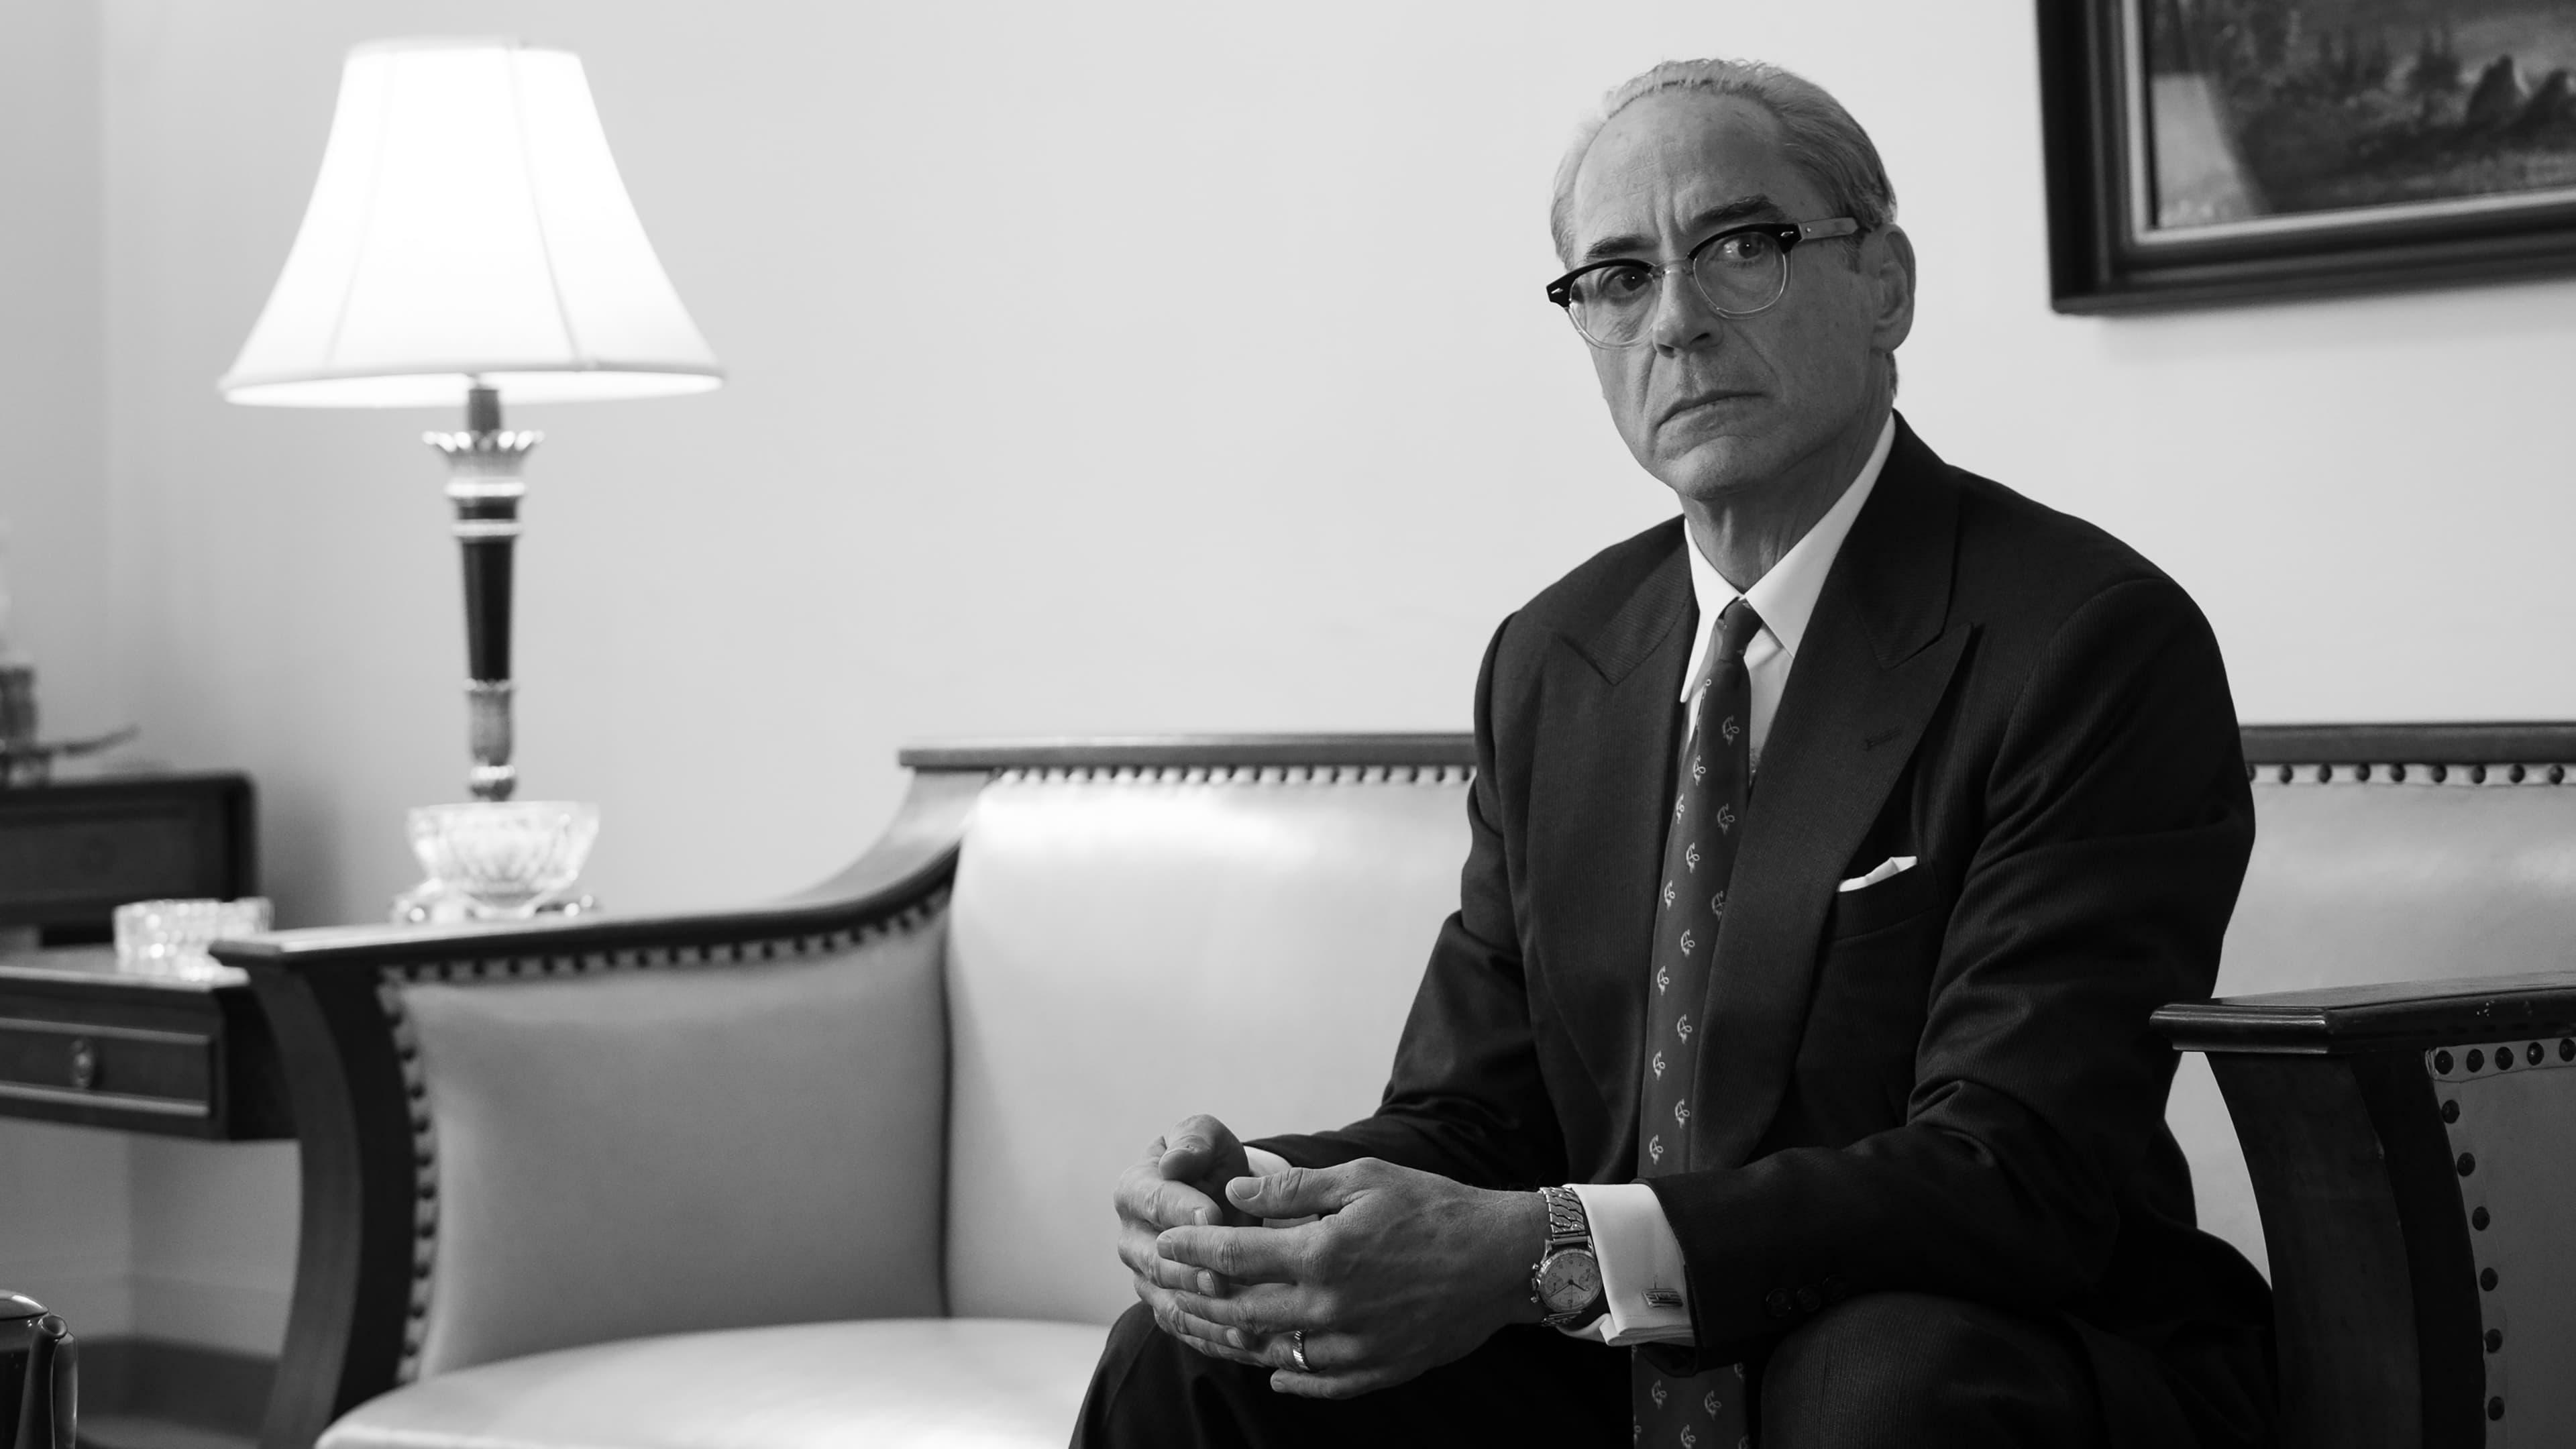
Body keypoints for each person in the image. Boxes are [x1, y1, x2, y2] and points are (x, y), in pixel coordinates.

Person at [1074, 56, 2275, 1449]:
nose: (1677, 320)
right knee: (1195, 1362)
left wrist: (1549, 1249)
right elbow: (1476, 1120)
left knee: (1873, 1385)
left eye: (1741, 246)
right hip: (1624, 1355)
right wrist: (1261, 1207)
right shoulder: (1555, 657)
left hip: (1990, 1344)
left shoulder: (2088, 641)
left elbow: (2015, 1173)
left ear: (1885, 285)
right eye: (1619, 277)